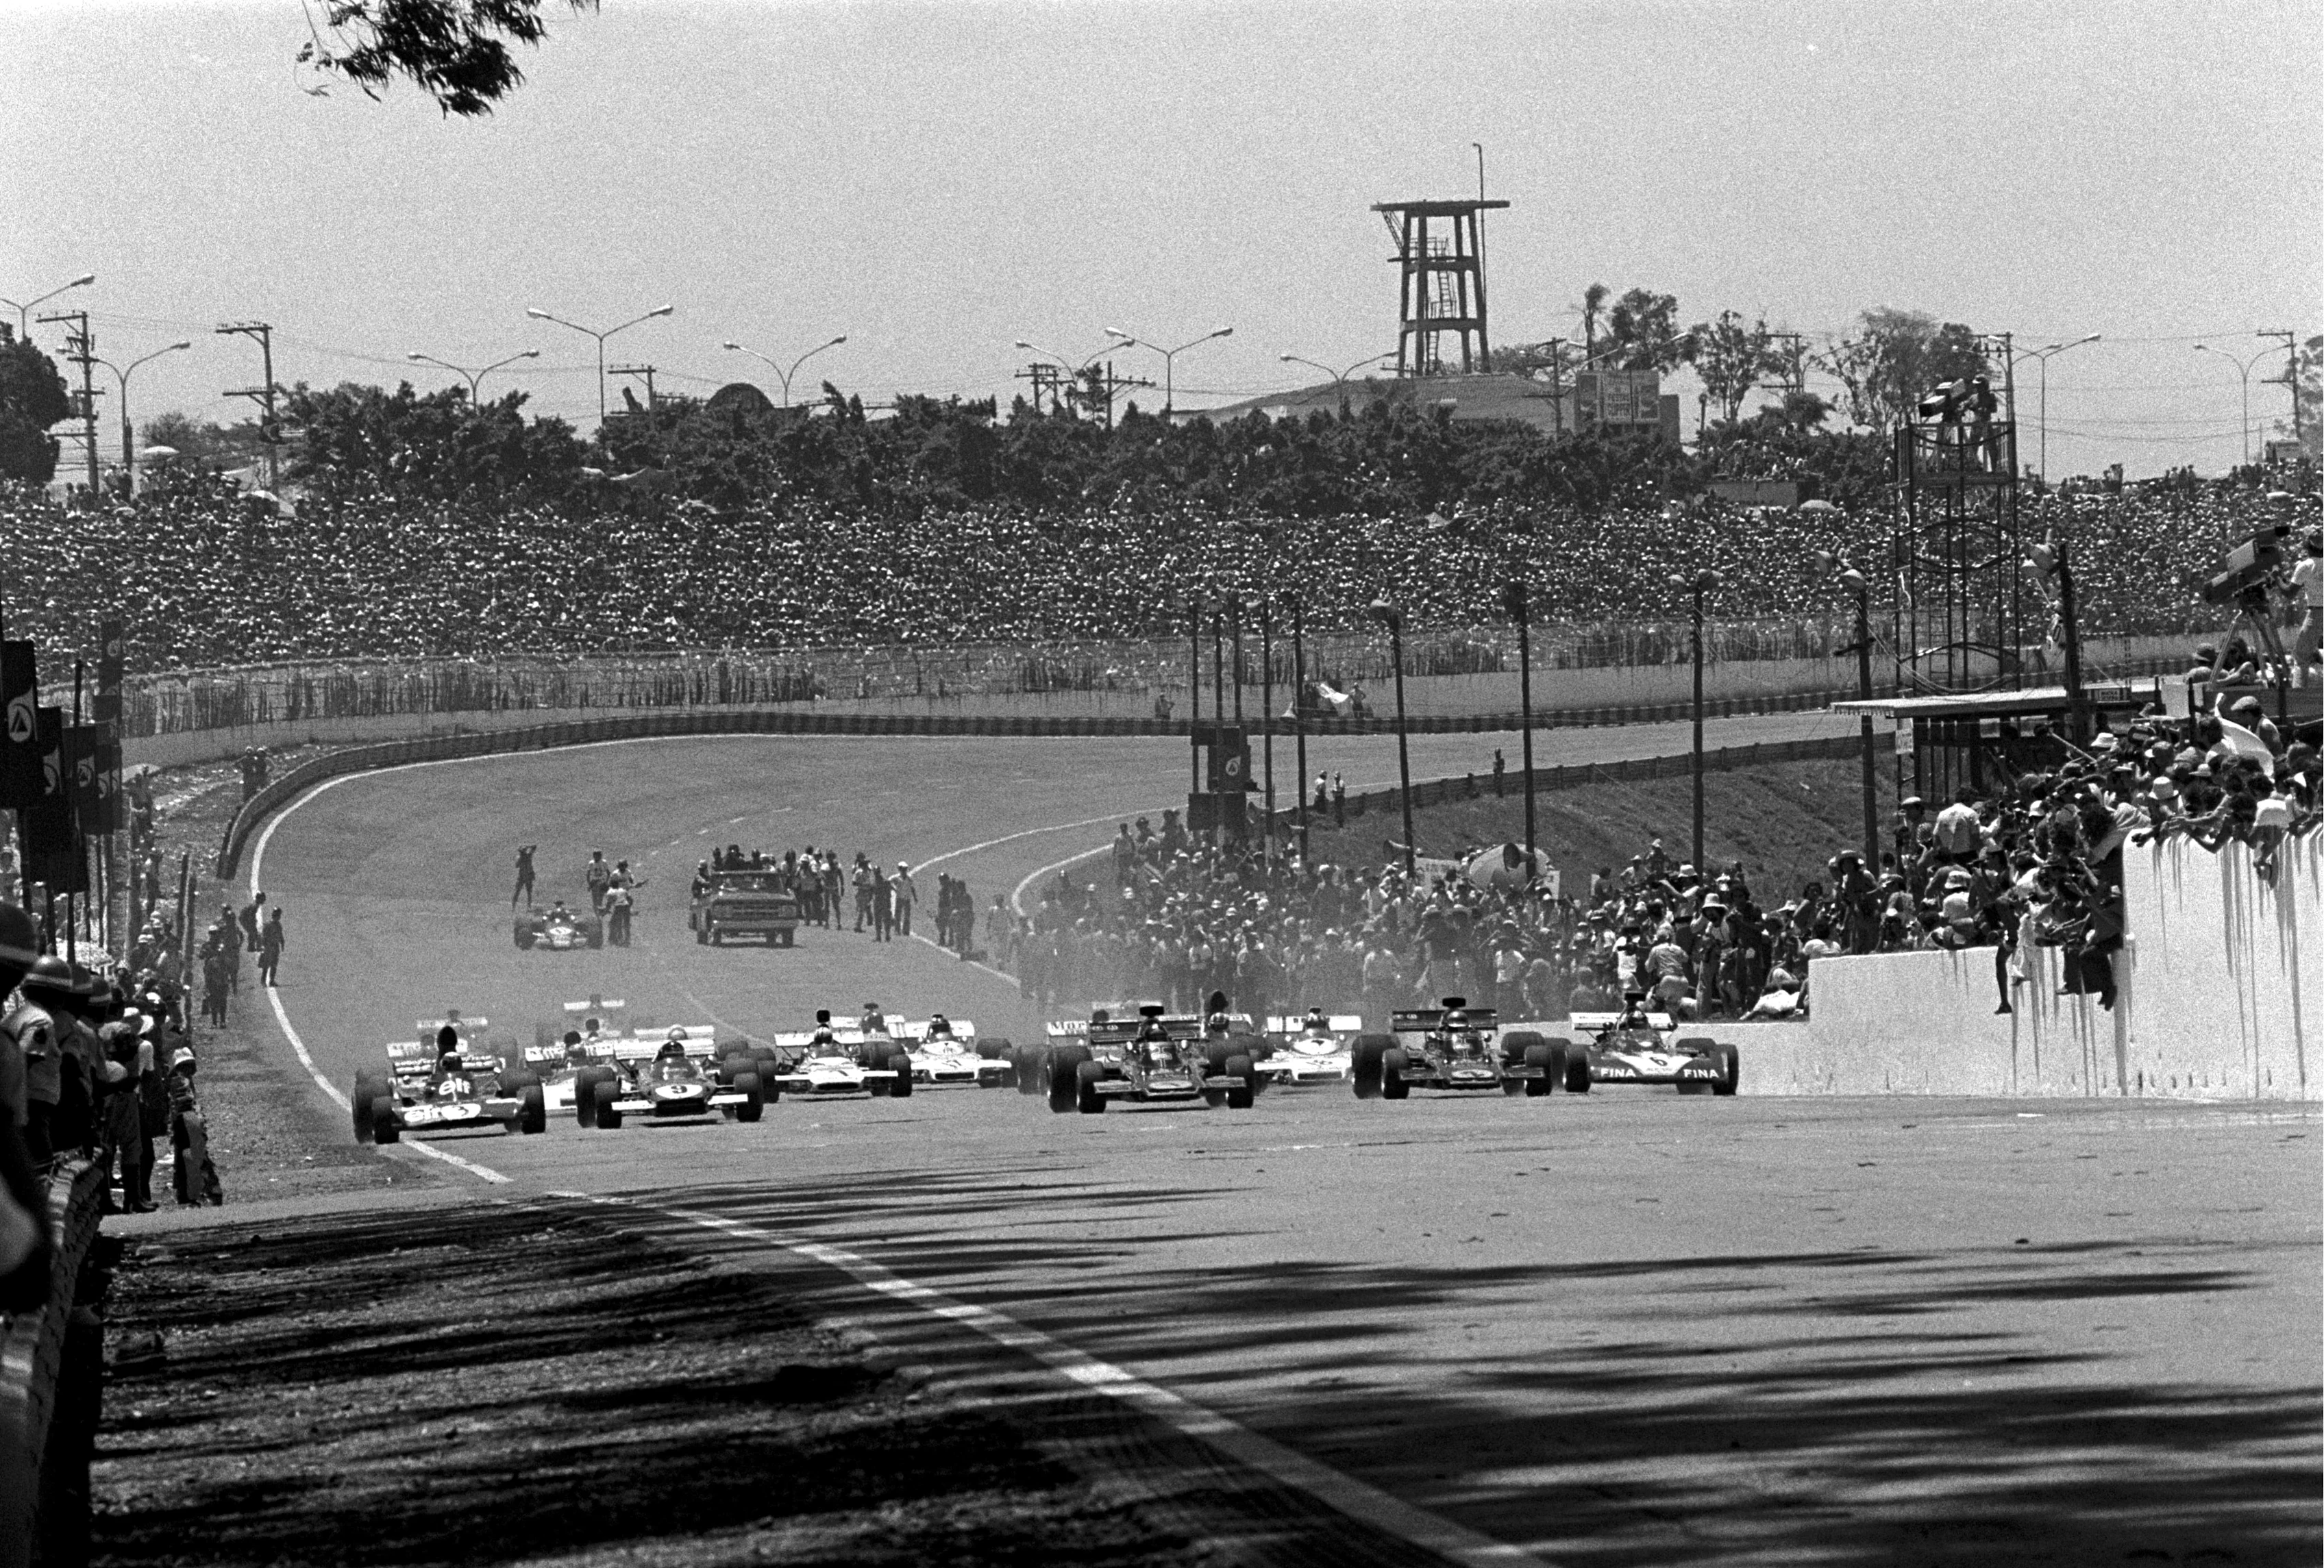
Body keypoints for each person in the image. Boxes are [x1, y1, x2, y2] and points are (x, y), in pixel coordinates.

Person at [258, 906, 286, 986]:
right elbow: (263, 937)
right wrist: (263, 946)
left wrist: (282, 943)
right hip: (268, 947)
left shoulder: (278, 925)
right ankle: (263, 981)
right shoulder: (268, 925)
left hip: (275, 947)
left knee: (274, 964)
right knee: (266, 965)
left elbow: (280, 935)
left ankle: (272, 980)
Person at [584, 849, 613, 914]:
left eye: (599, 856)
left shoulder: (604, 862)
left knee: (600, 898)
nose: (598, 857)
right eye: (596, 856)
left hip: (602, 882)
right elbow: (588, 874)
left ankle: (600, 912)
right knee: (594, 899)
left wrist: (606, 882)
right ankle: (596, 912)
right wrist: (589, 884)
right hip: (594, 882)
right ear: (594, 856)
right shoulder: (591, 863)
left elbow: (608, 873)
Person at [512, 843, 537, 908]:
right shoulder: (526, 856)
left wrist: (528, 846)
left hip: (524, 877)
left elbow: (534, 847)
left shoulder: (525, 856)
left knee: (525, 892)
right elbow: (517, 865)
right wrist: (529, 846)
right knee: (523, 892)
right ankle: (527, 906)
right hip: (525, 876)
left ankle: (516, 907)